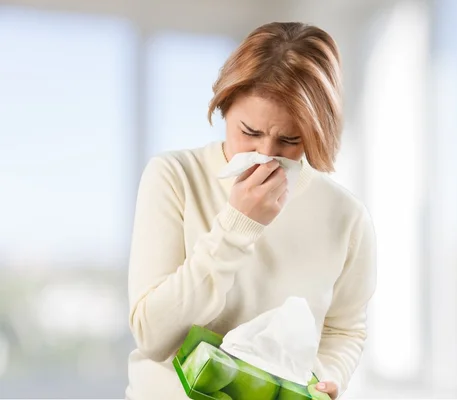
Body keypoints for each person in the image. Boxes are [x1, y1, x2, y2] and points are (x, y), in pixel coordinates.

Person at [125, 22, 377, 400]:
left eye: (290, 140)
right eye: (250, 132)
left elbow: (345, 330)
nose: (266, 153)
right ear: (224, 106)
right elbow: (152, 335)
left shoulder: (346, 217)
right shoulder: (174, 177)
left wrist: (327, 377)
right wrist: (237, 226)